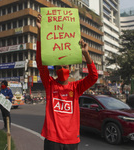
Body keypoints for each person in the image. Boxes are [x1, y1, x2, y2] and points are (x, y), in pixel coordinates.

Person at [36, 14, 98, 150]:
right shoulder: (50, 84)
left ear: (70, 69)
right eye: (58, 67)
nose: (62, 69)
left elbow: (93, 77)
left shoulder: (76, 87)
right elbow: (40, 62)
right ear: (54, 69)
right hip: (52, 139)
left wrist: (86, 54)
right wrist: (40, 31)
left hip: (71, 141)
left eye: (65, 66)